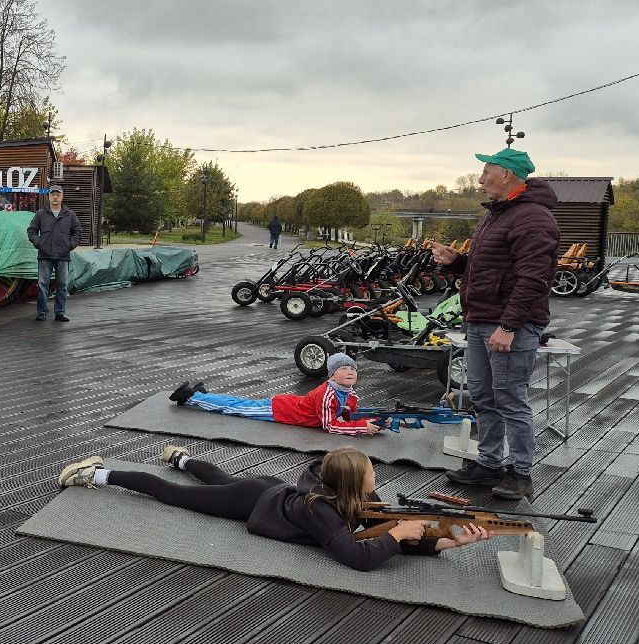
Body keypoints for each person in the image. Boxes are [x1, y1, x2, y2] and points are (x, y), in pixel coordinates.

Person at [57, 446, 491, 571]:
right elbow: (356, 556)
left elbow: (388, 533)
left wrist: (445, 543)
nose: (375, 477)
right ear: (351, 483)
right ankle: (98, 474)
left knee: (219, 477)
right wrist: (398, 535)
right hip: (256, 502)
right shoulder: (324, 510)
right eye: (369, 472)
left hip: (270, 490)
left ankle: (181, 459)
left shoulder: (361, 501)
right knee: (179, 495)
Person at [431, 148, 559, 499]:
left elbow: (534, 279)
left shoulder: (533, 218)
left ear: (505, 174)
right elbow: (489, 270)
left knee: (510, 399)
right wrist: (457, 262)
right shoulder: (499, 215)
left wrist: (509, 326)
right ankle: (489, 464)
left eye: (486, 170)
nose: (480, 178)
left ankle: (520, 473)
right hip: (482, 321)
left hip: (507, 326)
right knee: (484, 397)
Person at [169, 353, 381, 435]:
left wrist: (377, 420)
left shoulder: (350, 393)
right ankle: (192, 396)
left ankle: (203, 396)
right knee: (235, 408)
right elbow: (331, 425)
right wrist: (362, 427)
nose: (350, 372)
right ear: (332, 376)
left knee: (240, 403)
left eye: (353, 369)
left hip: (288, 405)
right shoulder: (327, 393)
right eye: (344, 369)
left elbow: (349, 415)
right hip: (281, 411)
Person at [27, 184, 81, 322]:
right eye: (53, 195)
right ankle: (42, 312)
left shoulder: (70, 214)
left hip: (63, 255)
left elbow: (77, 232)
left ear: (62, 197)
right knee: (43, 284)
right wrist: (39, 244)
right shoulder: (40, 214)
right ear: (49, 196)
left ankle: (60, 312)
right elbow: (31, 230)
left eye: (58, 195)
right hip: (45, 255)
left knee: (62, 285)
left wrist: (70, 245)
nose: (55, 197)